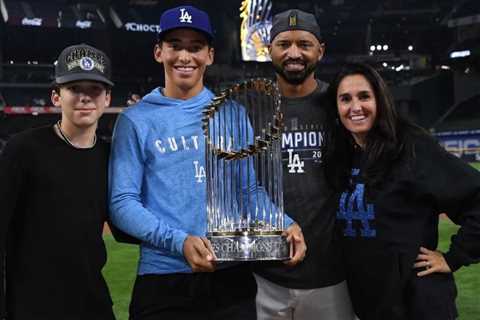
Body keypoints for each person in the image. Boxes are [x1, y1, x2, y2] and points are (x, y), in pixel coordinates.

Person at [108, 5, 306, 320]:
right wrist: (179, 242)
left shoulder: (231, 114)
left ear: (209, 55)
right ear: (159, 52)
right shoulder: (136, 120)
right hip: (163, 279)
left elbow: (249, 191)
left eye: (195, 47)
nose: (185, 56)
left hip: (230, 278)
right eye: (175, 45)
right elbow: (122, 203)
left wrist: (285, 223)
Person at [323, 62, 480, 320]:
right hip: (371, 306)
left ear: (380, 100)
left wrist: (454, 257)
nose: (355, 107)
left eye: (364, 96)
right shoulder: (342, 155)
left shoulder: (412, 147)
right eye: (345, 99)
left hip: (417, 304)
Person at [0, 44, 116, 320]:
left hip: (93, 305)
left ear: (108, 98)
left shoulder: (110, 157)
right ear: (56, 96)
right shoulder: (23, 149)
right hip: (33, 307)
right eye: (74, 88)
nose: (85, 98)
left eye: (95, 90)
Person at [253, 9, 355, 320]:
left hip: (332, 275)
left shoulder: (340, 104)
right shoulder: (247, 103)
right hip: (262, 275)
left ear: (320, 51)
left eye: (304, 44)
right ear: (269, 49)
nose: (294, 53)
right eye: (284, 44)